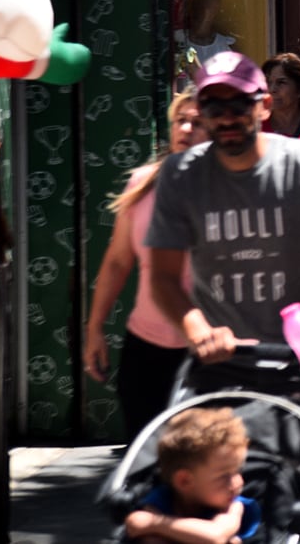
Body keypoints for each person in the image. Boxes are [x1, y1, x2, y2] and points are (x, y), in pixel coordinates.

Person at [147, 52, 300, 393]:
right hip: (221, 362)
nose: (227, 117)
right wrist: (197, 330)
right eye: (214, 107)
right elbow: (162, 275)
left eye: (240, 105)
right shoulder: (180, 174)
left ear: (263, 106)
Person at [84, 89, 207, 436]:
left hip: (206, 349)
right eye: (180, 121)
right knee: (147, 466)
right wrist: (95, 329)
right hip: (145, 349)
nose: (186, 130)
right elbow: (117, 262)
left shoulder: (229, 190)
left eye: (197, 123)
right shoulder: (143, 183)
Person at [124, 406, 261, 544]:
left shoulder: (233, 506)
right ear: (185, 481)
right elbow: (135, 523)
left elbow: (216, 536)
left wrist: (156, 524)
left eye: (237, 471)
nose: (239, 482)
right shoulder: (162, 498)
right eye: (225, 476)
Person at [175, 0, 235, 70]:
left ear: (216, 11)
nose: (199, 11)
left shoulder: (224, 47)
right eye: (196, 5)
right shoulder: (178, 40)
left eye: (207, 7)